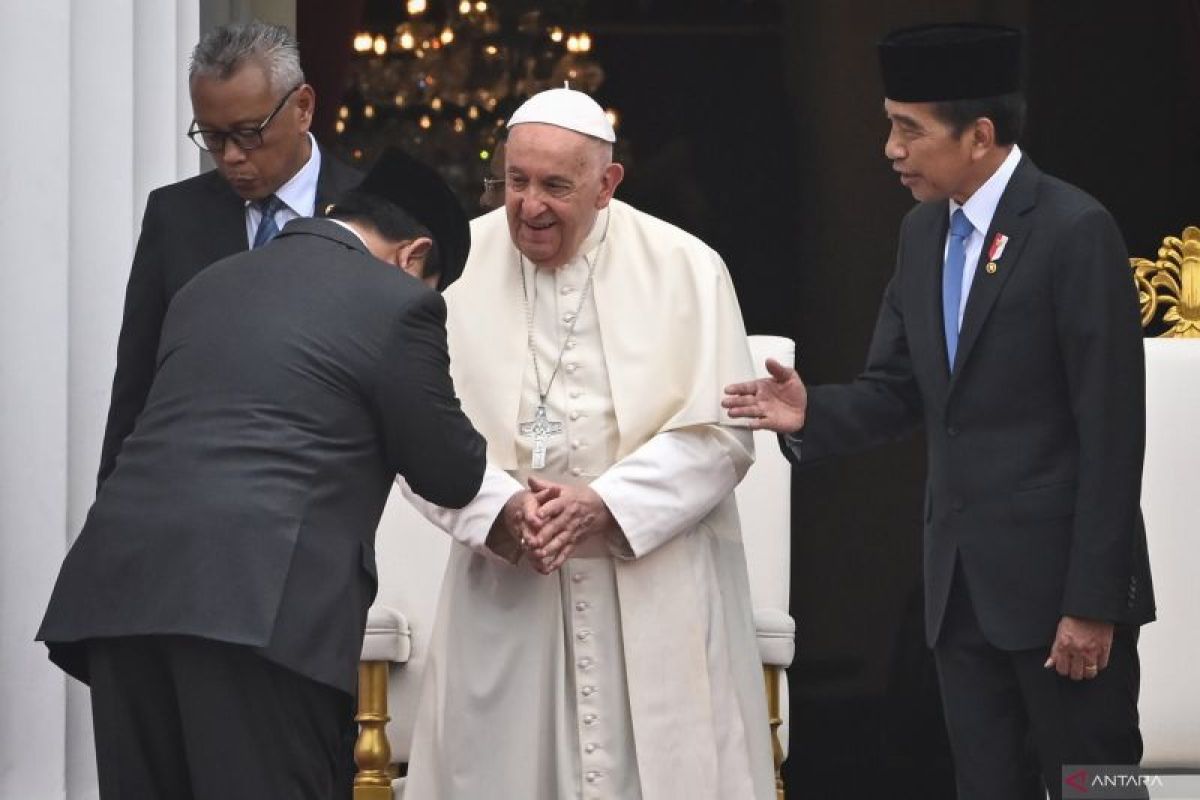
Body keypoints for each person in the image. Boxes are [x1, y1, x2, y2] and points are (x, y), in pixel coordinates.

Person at [724, 23, 1154, 800]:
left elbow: (1113, 432)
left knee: (1102, 789)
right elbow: (901, 391)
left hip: (1065, 598)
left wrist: (1094, 604)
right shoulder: (924, 232)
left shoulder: (1073, 229)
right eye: (890, 123)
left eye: (909, 128)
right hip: (960, 594)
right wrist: (809, 412)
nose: (890, 147)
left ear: (980, 135)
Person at [36, 148, 486, 800]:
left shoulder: (209, 284)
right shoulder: (397, 302)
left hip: (121, 597)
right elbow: (450, 470)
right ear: (414, 257)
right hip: (258, 608)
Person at [400, 88, 775, 800]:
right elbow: (413, 435)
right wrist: (502, 512)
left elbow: (724, 435)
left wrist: (605, 504)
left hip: (650, 580)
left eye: (555, 186)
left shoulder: (687, 268)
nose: (529, 205)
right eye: (515, 182)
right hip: (512, 583)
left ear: (607, 186)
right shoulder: (450, 269)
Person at [97, 20, 361, 489]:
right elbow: (136, 390)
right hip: (200, 506)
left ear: (303, 108)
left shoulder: (372, 213)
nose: (232, 156)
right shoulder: (174, 217)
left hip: (331, 505)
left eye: (248, 133)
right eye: (213, 138)